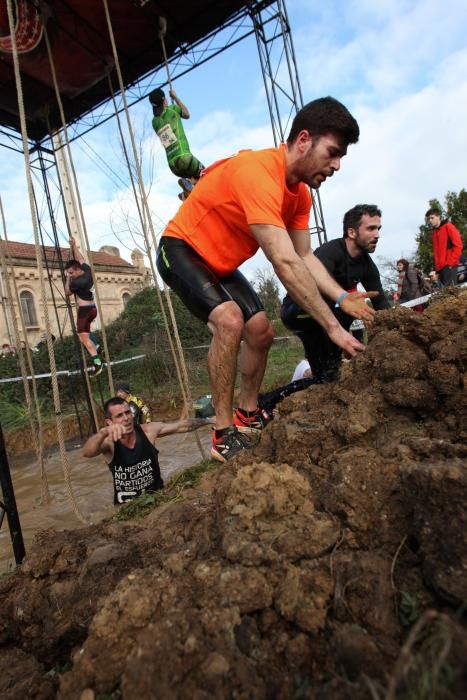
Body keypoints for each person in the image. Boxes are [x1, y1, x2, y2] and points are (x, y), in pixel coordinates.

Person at [156, 97, 377, 462]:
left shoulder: (299, 195)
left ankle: (248, 414)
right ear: (303, 140)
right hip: (181, 248)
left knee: (261, 331)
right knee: (230, 319)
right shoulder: (258, 172)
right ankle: (223, 434)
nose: (336, 165)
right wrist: (334, 329)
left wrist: (340, 299)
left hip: (220, 264)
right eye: (333, 153)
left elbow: (305, 256)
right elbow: (285, 262)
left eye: (341, 158)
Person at [281, 204, 390, 382]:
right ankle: (306, 372)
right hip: (298, 310)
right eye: (371, 228)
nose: (377, 235)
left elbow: (382, 303)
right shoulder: (330, 252)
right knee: (325, 374)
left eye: (378, 228)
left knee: (330, 374)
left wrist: (396, 324)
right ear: (352, 232)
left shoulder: (367, 266)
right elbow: (310, 288)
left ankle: (313, 371)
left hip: (332, 313)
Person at [82, 396, 212, 505]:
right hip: (127, 507)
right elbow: (88, 452)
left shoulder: (148, 431)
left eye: (128, 413)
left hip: (158, 498)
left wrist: (209, 420)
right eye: (119, 416)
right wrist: (102, 433)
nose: (126, 418)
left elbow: (180, 426)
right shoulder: (109, 442)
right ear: (110, 422)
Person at [149, 87, 204, 198]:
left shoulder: (154, 122)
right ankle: (189, 188)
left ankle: (188, 191)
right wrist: (175, 97)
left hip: (173, 166)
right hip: (185, 158)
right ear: (164, 100)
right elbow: (187, 114)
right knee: (206, 174)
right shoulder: (173, 109)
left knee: (196, 179)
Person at [64, 237, 103, 377]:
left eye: (71, 272)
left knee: (83, 338)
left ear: (76, 271)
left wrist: (67, 278)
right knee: (84, 333)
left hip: (85, 311)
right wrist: (74, 246)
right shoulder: (86, 269)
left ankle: (98, 363)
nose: (70, 274)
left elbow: (67, 292)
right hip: (91, 309)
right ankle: (97, 346)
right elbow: (80, 258)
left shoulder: (78, 282)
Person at [425, 208, 463, 286]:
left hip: (450, 265)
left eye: (432, 218)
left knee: (451, 293)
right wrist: (437, 270)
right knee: (444, 294)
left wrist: (450, 263)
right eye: (428, 219)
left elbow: (458, 246)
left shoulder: (448, 226)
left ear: (438, 216)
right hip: (440, 269)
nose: (430, 220)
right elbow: (437, 253)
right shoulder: (434, 233)